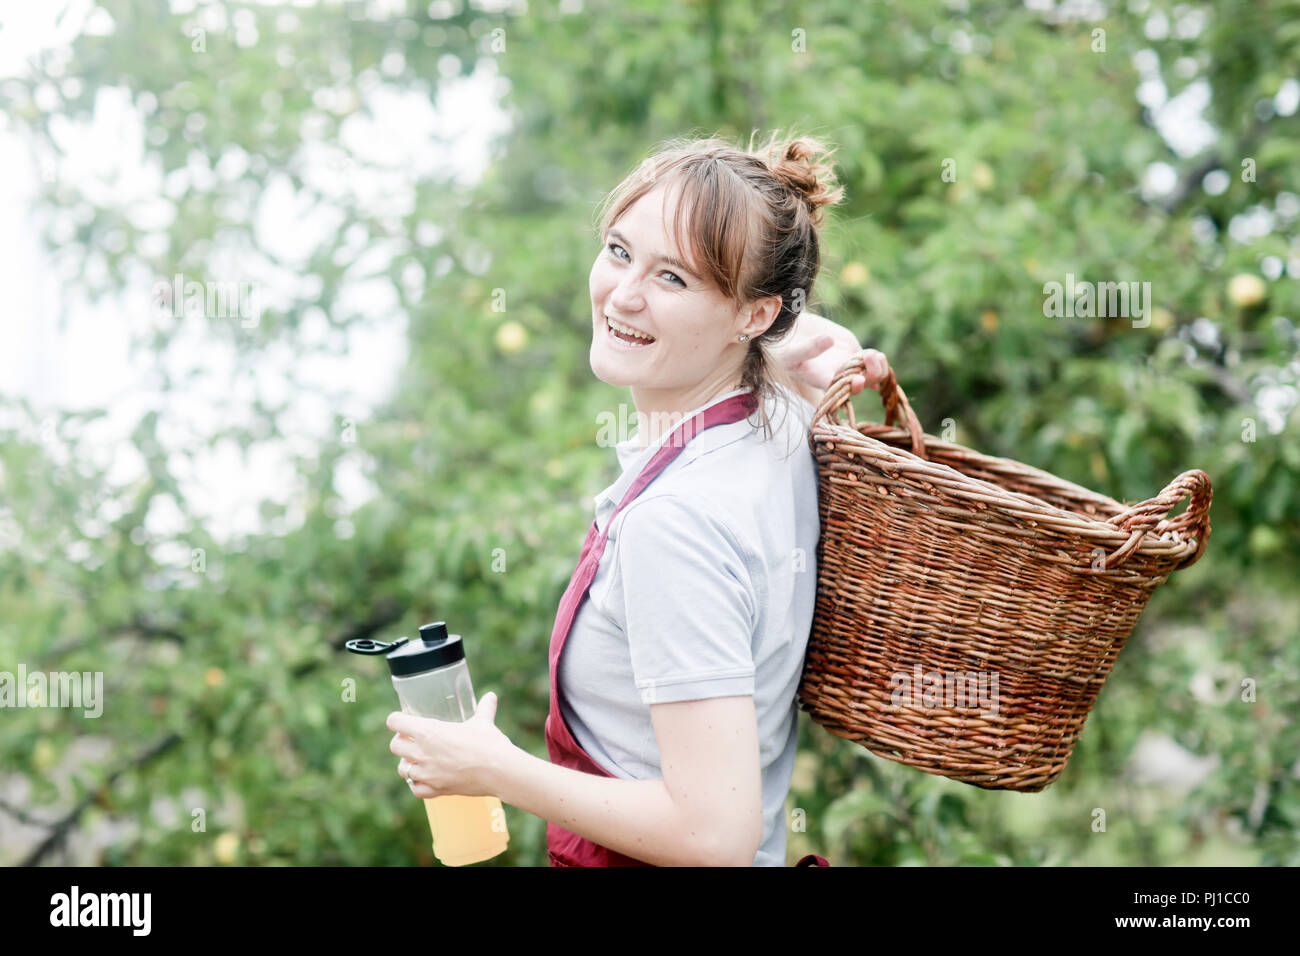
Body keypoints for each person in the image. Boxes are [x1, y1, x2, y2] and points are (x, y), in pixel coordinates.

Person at [386, 131, 888, 866]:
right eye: (620, 251)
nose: (622, 295)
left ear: (754, 314)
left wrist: (493, 768)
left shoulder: (676, 523)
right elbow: (822, 336)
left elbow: (713, 835)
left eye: (673, 279)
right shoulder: (777, 420)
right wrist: (769, 345)